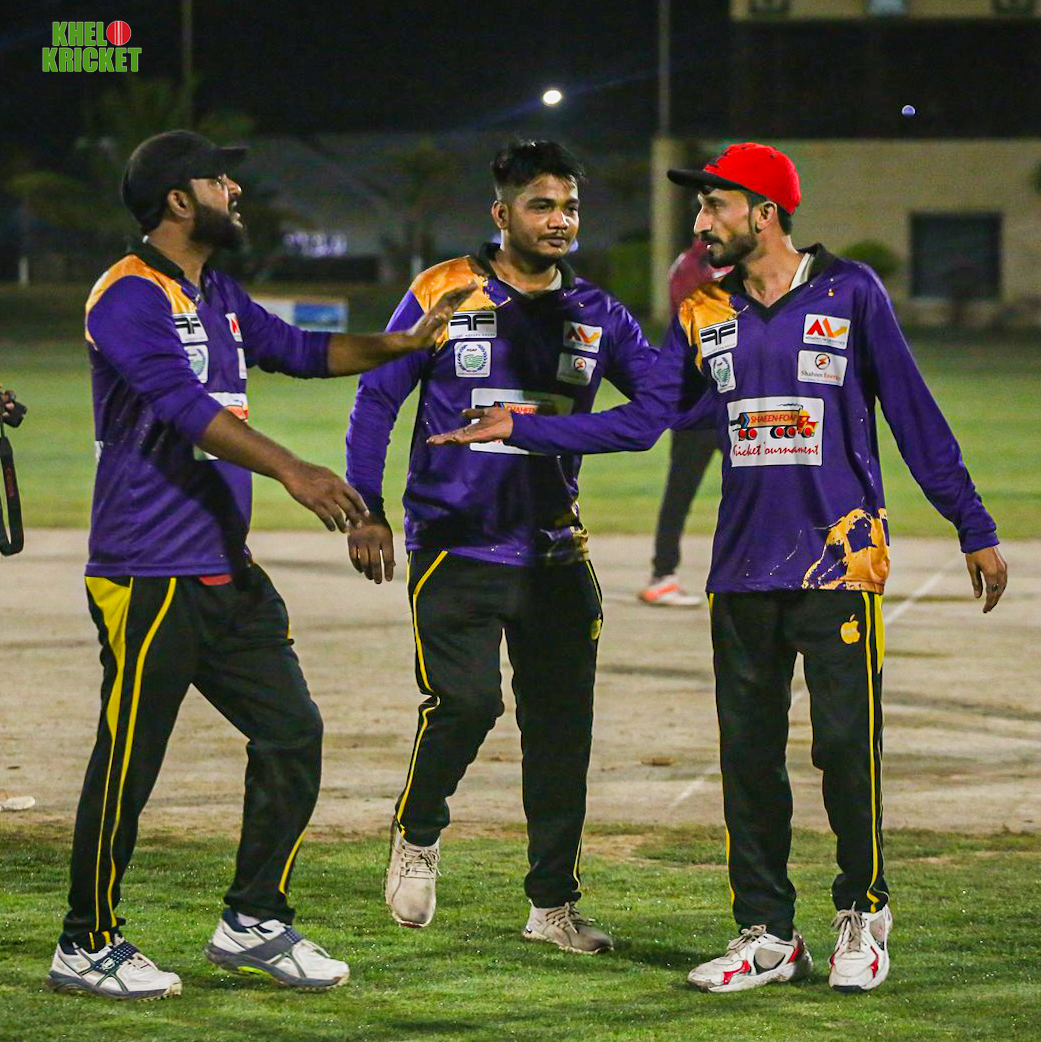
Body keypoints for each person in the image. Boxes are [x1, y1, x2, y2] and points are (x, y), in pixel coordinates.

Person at [429, 142, 1008, 993]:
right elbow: (645, 421)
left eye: (713, 206)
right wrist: (524, 425)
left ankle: (862, 914)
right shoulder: (703, 309)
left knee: (845, 748)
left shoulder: (851, 293)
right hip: (739, 570)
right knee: (748, 758)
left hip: (839, 565)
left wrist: (972, 525)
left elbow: (914, 417)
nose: (699, 222)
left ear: (763, 212)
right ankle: (767, 934)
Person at [48, 130, 473, 1001]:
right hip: (146, 568)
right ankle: (85, 943)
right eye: (217, 179)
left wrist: (405, 343)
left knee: (291, 733)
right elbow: (180, 405)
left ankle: (253, 920)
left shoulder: (219, 294)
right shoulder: (126, 294)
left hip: (222, 568)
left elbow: (305, 352)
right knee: (128, 761)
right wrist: (294, 470)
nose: (234, 189)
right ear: (178, 199)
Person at [346, 139, 658, 954]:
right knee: (468, 703)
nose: (559, 221)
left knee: (560, 735)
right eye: (541, 205)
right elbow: (377, 398)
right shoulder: (444, 290)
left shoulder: (597, 314)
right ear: (501, 213)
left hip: (555, 555)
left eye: (570, 207)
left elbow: (657, 408)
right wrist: (366, 509)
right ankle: (417, 832)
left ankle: (552, 907)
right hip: (455, 546)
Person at [638, 241, 718, 608]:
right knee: (682, 488)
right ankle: (662, 575)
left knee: (766, 481)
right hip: (703, 393)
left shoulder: (697, 260)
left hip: (723, 394)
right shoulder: (700, 263)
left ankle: (663, 572)